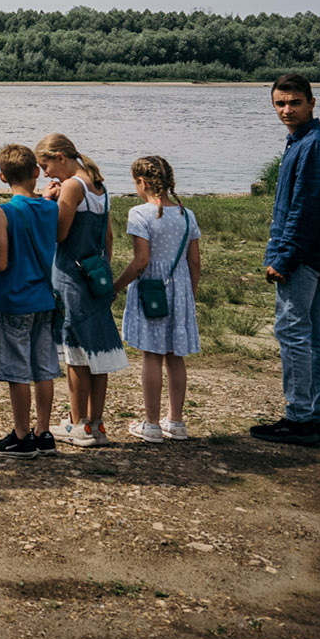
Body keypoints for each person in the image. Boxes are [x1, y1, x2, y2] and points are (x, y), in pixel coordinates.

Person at [253, 73, 320, 447]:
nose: (286, 110)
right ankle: (318, 418)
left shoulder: (314, 144)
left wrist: (284, 257)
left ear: (312, 103)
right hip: (313, 254)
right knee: (316, 332)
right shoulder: (304, 141)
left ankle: (300, 418)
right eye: (280, 103)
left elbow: (305, 210)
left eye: (294, 102)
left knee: (295, 331)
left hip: (303, 257)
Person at [39, 132, 124, 447]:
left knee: (75, 353)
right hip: (96, 276)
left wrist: (48, 202)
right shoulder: (99, 185)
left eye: (46, 165)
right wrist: (103, 271)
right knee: (98, 351)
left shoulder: (73, 186)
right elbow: (109, 237)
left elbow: (59, 234)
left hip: (71, 277)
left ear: (61, 157)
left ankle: (77, 425)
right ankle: (96, 424)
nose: (46, 173)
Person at [0, 144, 63, 458]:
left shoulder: (2, 212)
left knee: (17, 370)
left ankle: (20, 435)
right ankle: (44, 432)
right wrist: (46, 197)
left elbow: (1, 262)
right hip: (44, 298)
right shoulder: (51, 208)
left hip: (13, 299)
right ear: (35, 173)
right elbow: (40, 210)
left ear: (2, 177)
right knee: (44, 368)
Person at [114, 155, 200, 442]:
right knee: (175, 356)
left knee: (151, 355)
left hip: (152, 289)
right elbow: (194, 262)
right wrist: (190, 294)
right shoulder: (188, 215)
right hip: (181, 291)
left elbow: (141, 261)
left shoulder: (140, 213)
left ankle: (151, 423)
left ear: (142, 183)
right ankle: (176, 421)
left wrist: (116, 286)